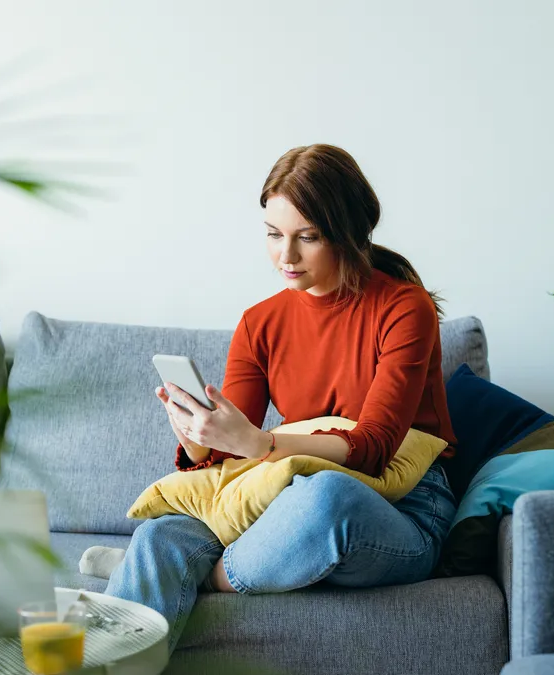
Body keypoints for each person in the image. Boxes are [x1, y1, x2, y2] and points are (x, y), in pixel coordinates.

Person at [104, 144, 458, 654]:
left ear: (347, 233)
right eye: (273, 235)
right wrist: (198, 433)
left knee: (327, 499)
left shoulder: (405, 308)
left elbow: (377, 447)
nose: (285, 257)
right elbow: (232, 452)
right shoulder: (259, 321)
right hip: (281, 497)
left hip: (401, 507)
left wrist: (262, 442)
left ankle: (199, 579)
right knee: (162, 537)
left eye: (307, 238)